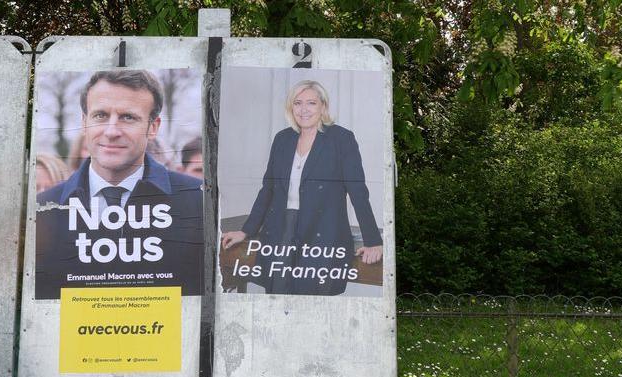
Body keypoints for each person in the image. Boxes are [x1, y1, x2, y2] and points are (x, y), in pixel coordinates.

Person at [35, 69, 204, 300]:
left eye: (128, 117)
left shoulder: (197, 203)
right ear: (84, 123)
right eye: (100, 116)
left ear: (153, 127)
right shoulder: (44, 210)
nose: (112, 131)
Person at [220, 80, 382, 295]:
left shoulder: (341, 139)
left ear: (323, 106)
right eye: (298, 103)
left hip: (322, 231)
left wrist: (373, 241)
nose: (304, 109)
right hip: (281, 231)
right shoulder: (282, 139)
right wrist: (246, 231)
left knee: (314, 299)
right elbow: (268, 189)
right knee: (278, 296)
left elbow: (358, 192)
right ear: (291, 107)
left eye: (311, 103)